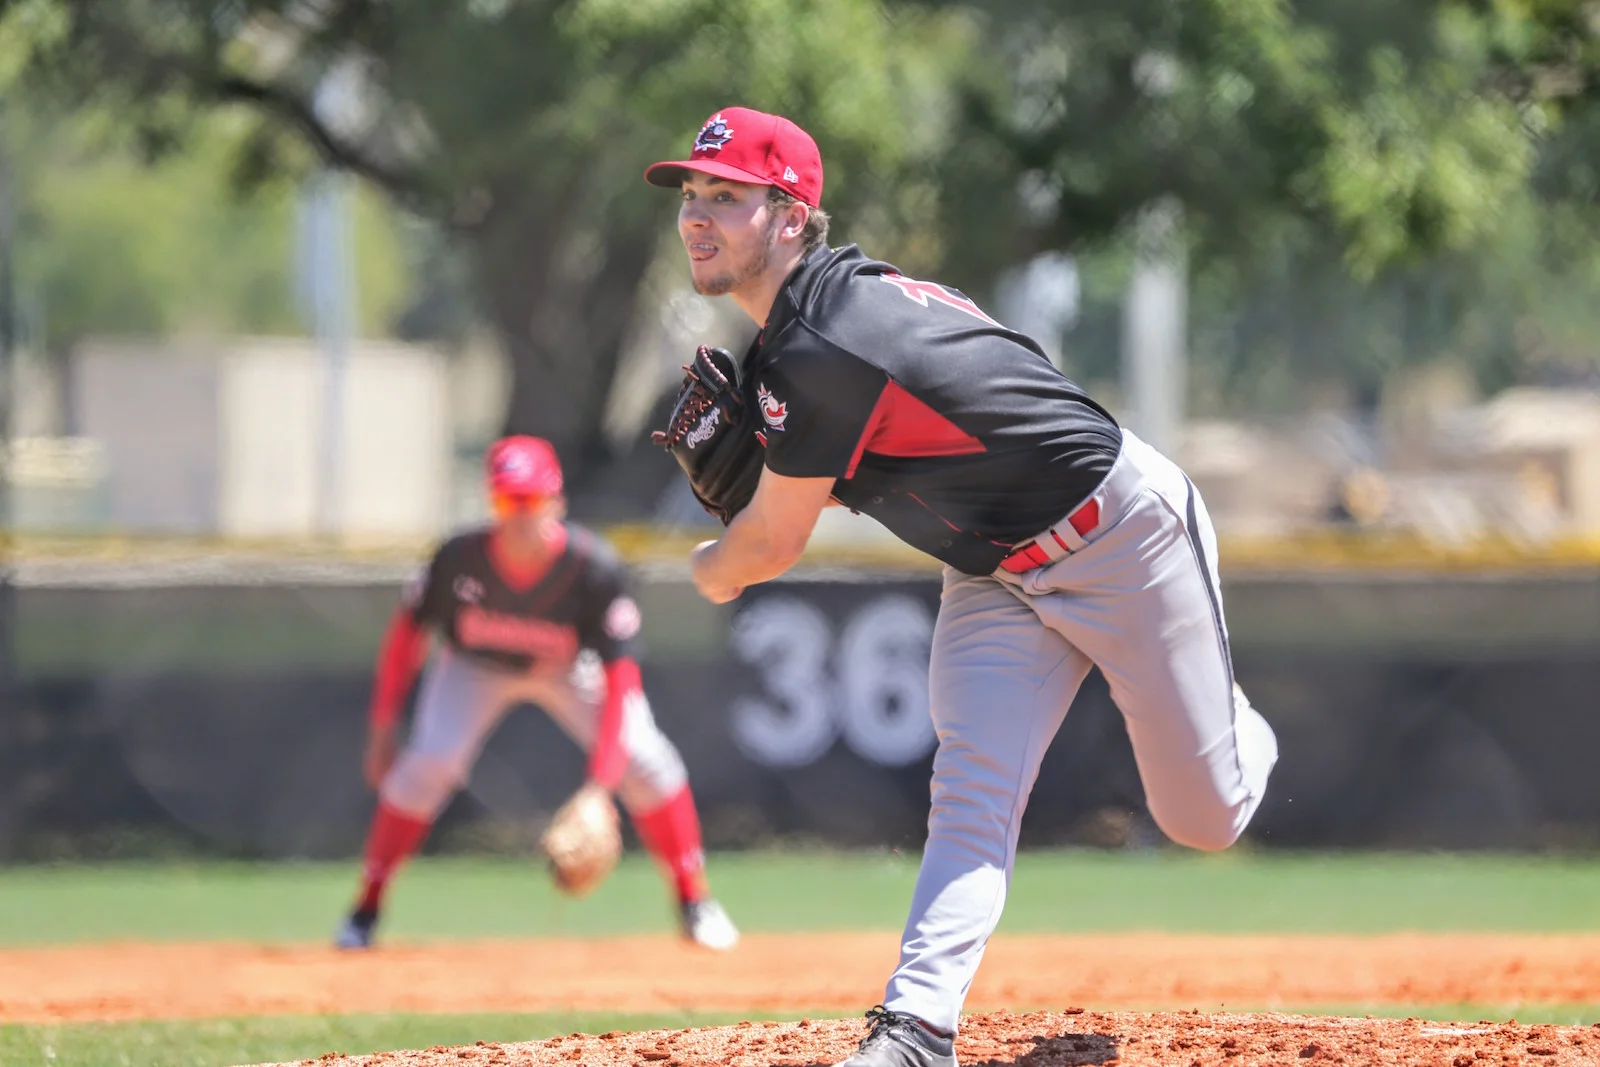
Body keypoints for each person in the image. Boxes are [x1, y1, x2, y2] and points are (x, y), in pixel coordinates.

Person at [643, 108, 1278, 1066]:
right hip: (997, 569)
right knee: (971, 791)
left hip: (1124, 539)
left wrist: (708, 568)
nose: (697, 214)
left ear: (791, 214)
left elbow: (768, 544)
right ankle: (916, 1029)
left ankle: (1233, 720)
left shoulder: (825, 338)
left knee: (1205, 818)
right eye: (692, 193)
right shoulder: (805, 334)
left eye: (726, 196)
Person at [334, 435, 739, 952]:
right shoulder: (458, 559)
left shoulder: (592, 567)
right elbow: (406, 638)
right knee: (426, 765)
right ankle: (365, 910)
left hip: (568, 668)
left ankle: (694, 901)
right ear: (492, 504)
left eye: (531, 499)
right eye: (508, 501)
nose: (521, 514)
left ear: (556, 502)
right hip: (474, 667)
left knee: (647, 760)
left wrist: (598, 790)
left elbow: (620, 680)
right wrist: (383, 726)